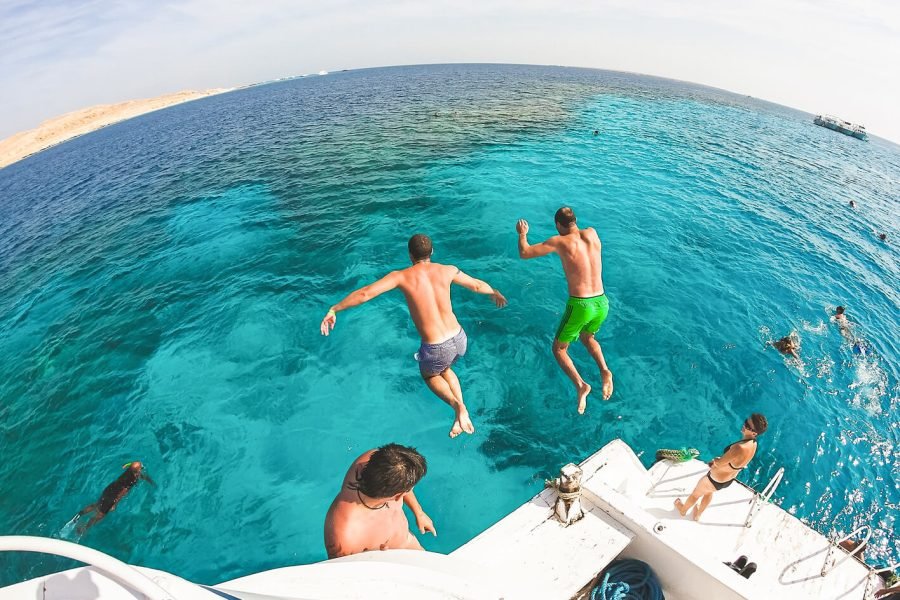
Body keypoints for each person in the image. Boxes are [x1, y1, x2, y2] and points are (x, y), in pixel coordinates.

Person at [320, 234, 506, 438]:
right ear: (432, 252)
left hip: (436, 346)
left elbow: (366, 293)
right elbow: (477, 285)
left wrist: (334, 309)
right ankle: (461, 411)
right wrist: (494, 292)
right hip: (459, 338)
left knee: (430, 375)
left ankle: (458, 407)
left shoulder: (400, 276)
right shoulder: (448, 270)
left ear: (410, 255)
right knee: (445, 368)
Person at [516, 207, 613, 414]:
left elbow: (525, 253)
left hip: (581, 304)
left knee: (559, 349)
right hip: (602, 302)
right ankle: (605, 371)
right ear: (575, 221)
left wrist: (522, 234)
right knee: (588, 338)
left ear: (559, 225)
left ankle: (581, 385)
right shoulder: (592, 233)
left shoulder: (560, 241)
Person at [324, 444, 434, 559]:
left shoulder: (375, 462)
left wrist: (419, 513)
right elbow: (344, 572)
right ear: (398, 496)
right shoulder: (345, 538)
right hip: (388, 558)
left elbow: (402, 479)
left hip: (407, 540)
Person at [674, 413, 767, 521]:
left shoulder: (739, 447)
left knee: (695, 494)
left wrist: (714, 461)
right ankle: (698, 515)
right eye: (746, 421)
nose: (744, 425)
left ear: (754, 433)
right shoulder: (753, 444)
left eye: (747, 426)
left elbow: (719, 463)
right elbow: (736, 461)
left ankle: (683, 510)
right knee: (709, 492)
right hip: (727, 480)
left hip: (714, 479)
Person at [75, 461, 155, 534]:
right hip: (114, 496)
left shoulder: (130, 469)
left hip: (109, 488)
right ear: (137, 471)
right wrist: (114, 504)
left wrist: (126, 465)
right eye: (140, 467)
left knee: (98, 504)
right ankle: (85, 528)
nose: (142, 467)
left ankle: (79, 514)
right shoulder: (133, 479)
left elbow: (131, 465)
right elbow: (124, 491)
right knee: (101, 514)